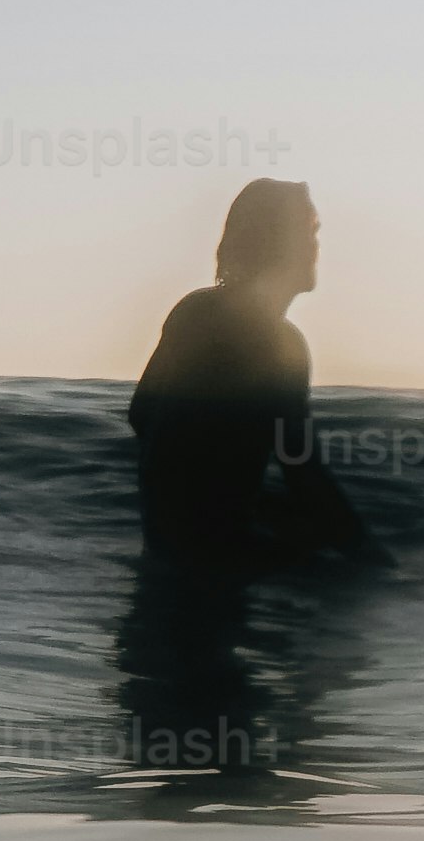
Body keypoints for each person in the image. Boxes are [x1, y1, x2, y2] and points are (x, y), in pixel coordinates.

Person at [128, 179, 373, 576]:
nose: (317, 248)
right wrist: (377, 565)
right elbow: (304, 473)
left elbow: (140, 414)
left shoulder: (194, 312)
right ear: (278, 242)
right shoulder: (277, 343)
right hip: (216, 570)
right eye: (309, 233)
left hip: (163, 556)